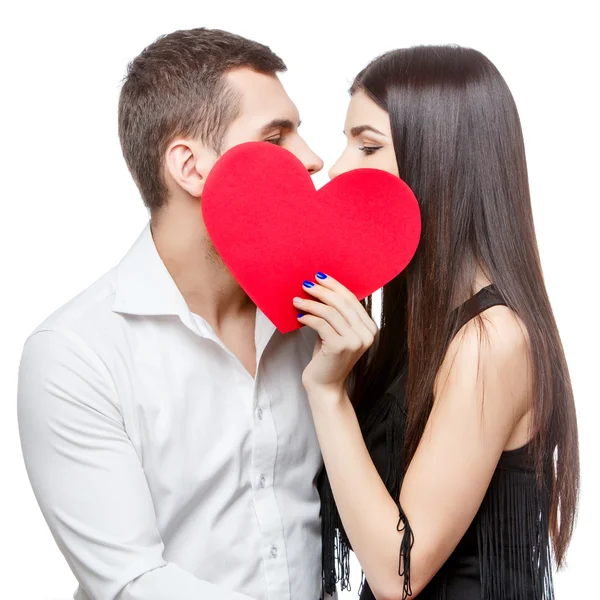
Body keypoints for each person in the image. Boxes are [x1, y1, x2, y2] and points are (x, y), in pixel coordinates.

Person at [17, 28, 326, 600]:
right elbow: (133, 582)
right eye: (277, 137)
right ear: (190, 167)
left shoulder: (315, 323)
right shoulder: (75, 352)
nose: (312, 159)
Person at [293, 46, 579, 600]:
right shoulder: (414, 322)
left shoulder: (492, 340)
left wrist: (326, 391)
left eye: (368, 145)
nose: (338, 166)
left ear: (441, 160)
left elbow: (399, 574)